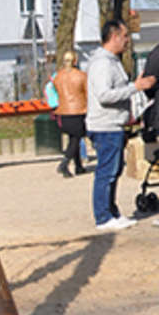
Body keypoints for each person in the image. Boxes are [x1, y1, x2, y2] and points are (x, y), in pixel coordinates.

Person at [85, 19, 154, 231]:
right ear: (114, 37)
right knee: (106, 171)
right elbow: (105, 95)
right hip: (105, 125)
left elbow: (117, 89)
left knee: (113, 171)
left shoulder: (112, 61)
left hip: (114, 124)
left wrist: (132, 85)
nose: (127, 41)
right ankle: (103, 217)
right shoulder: (102, 64)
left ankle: (111, 212)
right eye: (125, 36)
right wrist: (135, 87)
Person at [53, 50, 88, 178]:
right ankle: (64, 163)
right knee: (76, 138)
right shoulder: (82, 76)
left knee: (73, 137)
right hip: (78, 111)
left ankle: (78, 165)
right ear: (75, 61)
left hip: (62, 111)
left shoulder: (58, 76)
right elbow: (87, 93)